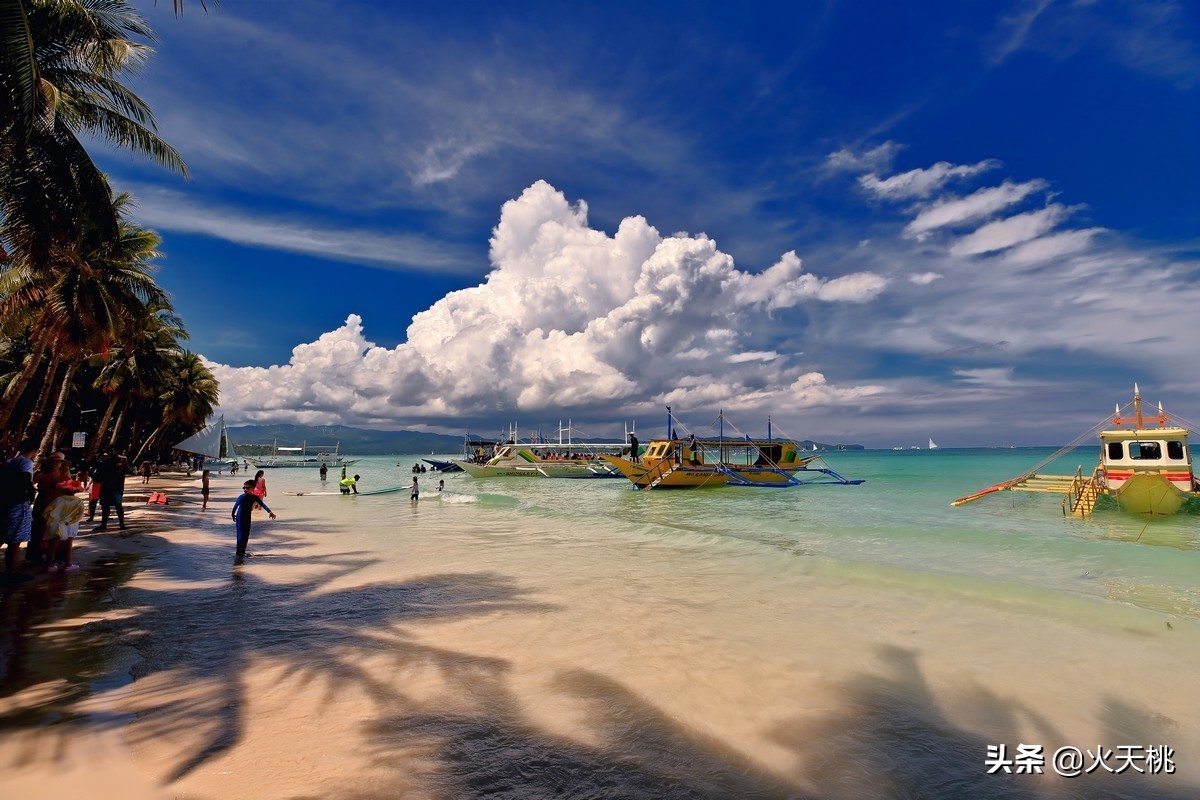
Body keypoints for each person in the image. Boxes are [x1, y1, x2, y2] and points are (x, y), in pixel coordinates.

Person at [1, 439, 38, 583]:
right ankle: (12, 572)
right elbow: (25, 480)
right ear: (35, 451)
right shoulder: (27, 463)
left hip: (6, 501)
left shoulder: (10, 462)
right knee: (15, 539)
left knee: (4, 534)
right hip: (18, 502)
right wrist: (30, 496)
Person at [43, 469, 85, 572]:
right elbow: (79, 516)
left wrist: (50, 521)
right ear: (77, 491)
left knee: (53, 544)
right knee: (69, 544)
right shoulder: (79, 502)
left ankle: (50, 565)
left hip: (56, 523)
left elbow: (46, 512)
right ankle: (68, 564)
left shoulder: (59, 499)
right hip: (70, 524)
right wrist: (69, 522)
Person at [231, 480, 276, 558]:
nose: (245, 489)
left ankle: (242, 552)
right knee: (240, 535)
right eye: (244, 488)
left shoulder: (254, 497)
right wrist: (233, 514)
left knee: (246, 535)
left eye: (247, 488)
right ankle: (238, 552)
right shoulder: (242, 497)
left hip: (247, 517)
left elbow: (262, 504)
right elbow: (235, 506)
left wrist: (270, 512)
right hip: (240, 517)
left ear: (253, 488)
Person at [93, 453, 129, 532]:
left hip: (106, 488)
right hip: (116, 489)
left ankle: (104, 524)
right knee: (118, 506)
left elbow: (97, 476)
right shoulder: (120, 467)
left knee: (105, 507)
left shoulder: (104, 464)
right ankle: (121, 524)